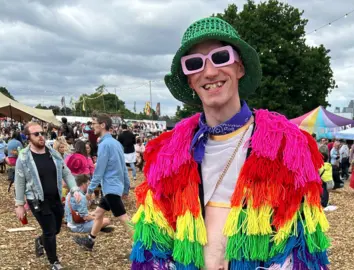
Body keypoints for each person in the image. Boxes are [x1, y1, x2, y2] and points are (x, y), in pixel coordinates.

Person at [129, 17, 330, 269]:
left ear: (240, 68)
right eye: (194, 64)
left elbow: (302, 249)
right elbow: (152, 246)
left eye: (221, 57)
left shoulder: (286, 146)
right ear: (190, 80)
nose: (210, 72)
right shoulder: (168, 155)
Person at [14, 122, 80, 270]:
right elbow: (19, 182)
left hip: (55, 197)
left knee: (56, 229)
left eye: (42, 133)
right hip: (37, 200)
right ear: (28, 137)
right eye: (36, 134)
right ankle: (54, 261)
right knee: (50, 230)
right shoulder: (24, 158)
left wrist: (74, 189)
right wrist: (19, 205)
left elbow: (66, 172)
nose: (41, 137)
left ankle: (40, 241)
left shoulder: (53, 154)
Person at [74, 113, 131, 251]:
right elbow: (123, 167)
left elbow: (99, 169)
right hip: (114, 187)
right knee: (99, 214)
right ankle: (90, 241)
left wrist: (90, 189)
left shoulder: (104, 144)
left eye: (94, 123)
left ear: (103, 125)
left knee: (124, 219)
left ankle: (143, 247)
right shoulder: (116, 143)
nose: (92, 126)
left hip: (110, 188)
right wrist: (126, 187)